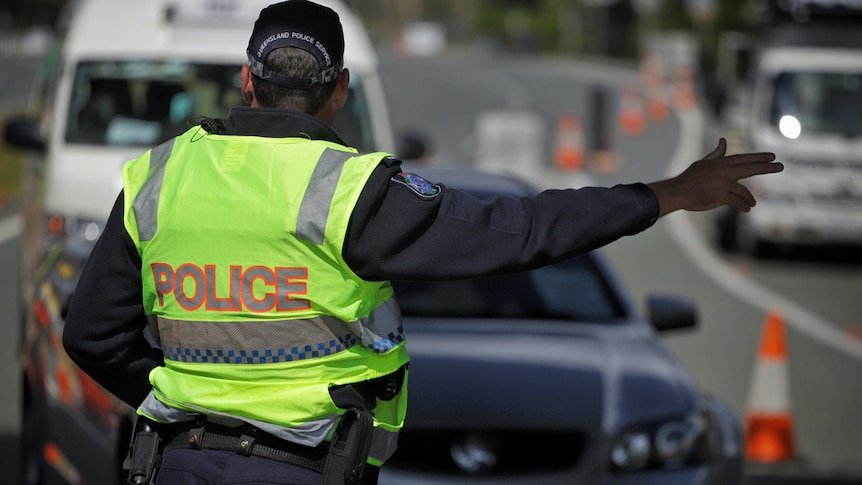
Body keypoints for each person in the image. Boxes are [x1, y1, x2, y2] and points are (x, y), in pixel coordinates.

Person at [62, 1, 783, 484]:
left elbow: (92, 334)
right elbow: (520, 231)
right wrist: (664, 194)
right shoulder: (348, 191)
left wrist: (189, 399)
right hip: (301, 467)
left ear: (247, 80)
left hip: (177, 461)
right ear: (339, 89)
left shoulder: (161, 176)